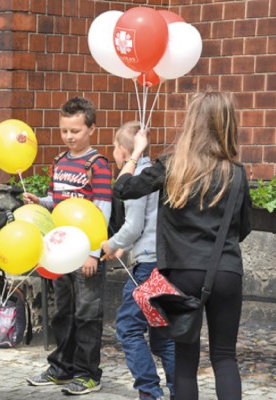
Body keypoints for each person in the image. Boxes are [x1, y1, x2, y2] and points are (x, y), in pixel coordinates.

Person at [113, 92, 251, 400]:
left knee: (186, 363)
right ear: (228, 125)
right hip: (226, 271)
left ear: (191, 123)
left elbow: (122, 188)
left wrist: (136, 152)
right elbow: (243, 227)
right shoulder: (237, 173)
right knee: (225, 356)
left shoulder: (170, 167)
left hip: (182, 273)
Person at [23, 97, 112, 395]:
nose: (69, 137)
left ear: (91, 129)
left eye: (75, 131)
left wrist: (94, 253)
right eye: (64, 131)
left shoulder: (97, 165)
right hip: (60, 251)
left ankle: (88, 373)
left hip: (86, 252)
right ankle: (61, 368)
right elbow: (56, 201)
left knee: (87, 313)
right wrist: (40, 202)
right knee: (63, 311)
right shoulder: (59, 161)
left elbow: (102, 210)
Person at [100, 121, 175, 400]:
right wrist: (122, 249)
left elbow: (132, 227)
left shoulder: (136, 177)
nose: (115, 154)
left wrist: (111, 243)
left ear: (122, 150)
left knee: (128, 327)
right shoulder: (157, 172)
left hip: (147, 267)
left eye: (115, 148)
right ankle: (179, 391)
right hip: (165, 262)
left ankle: (149, 390)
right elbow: (148, 224)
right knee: (162, 334)